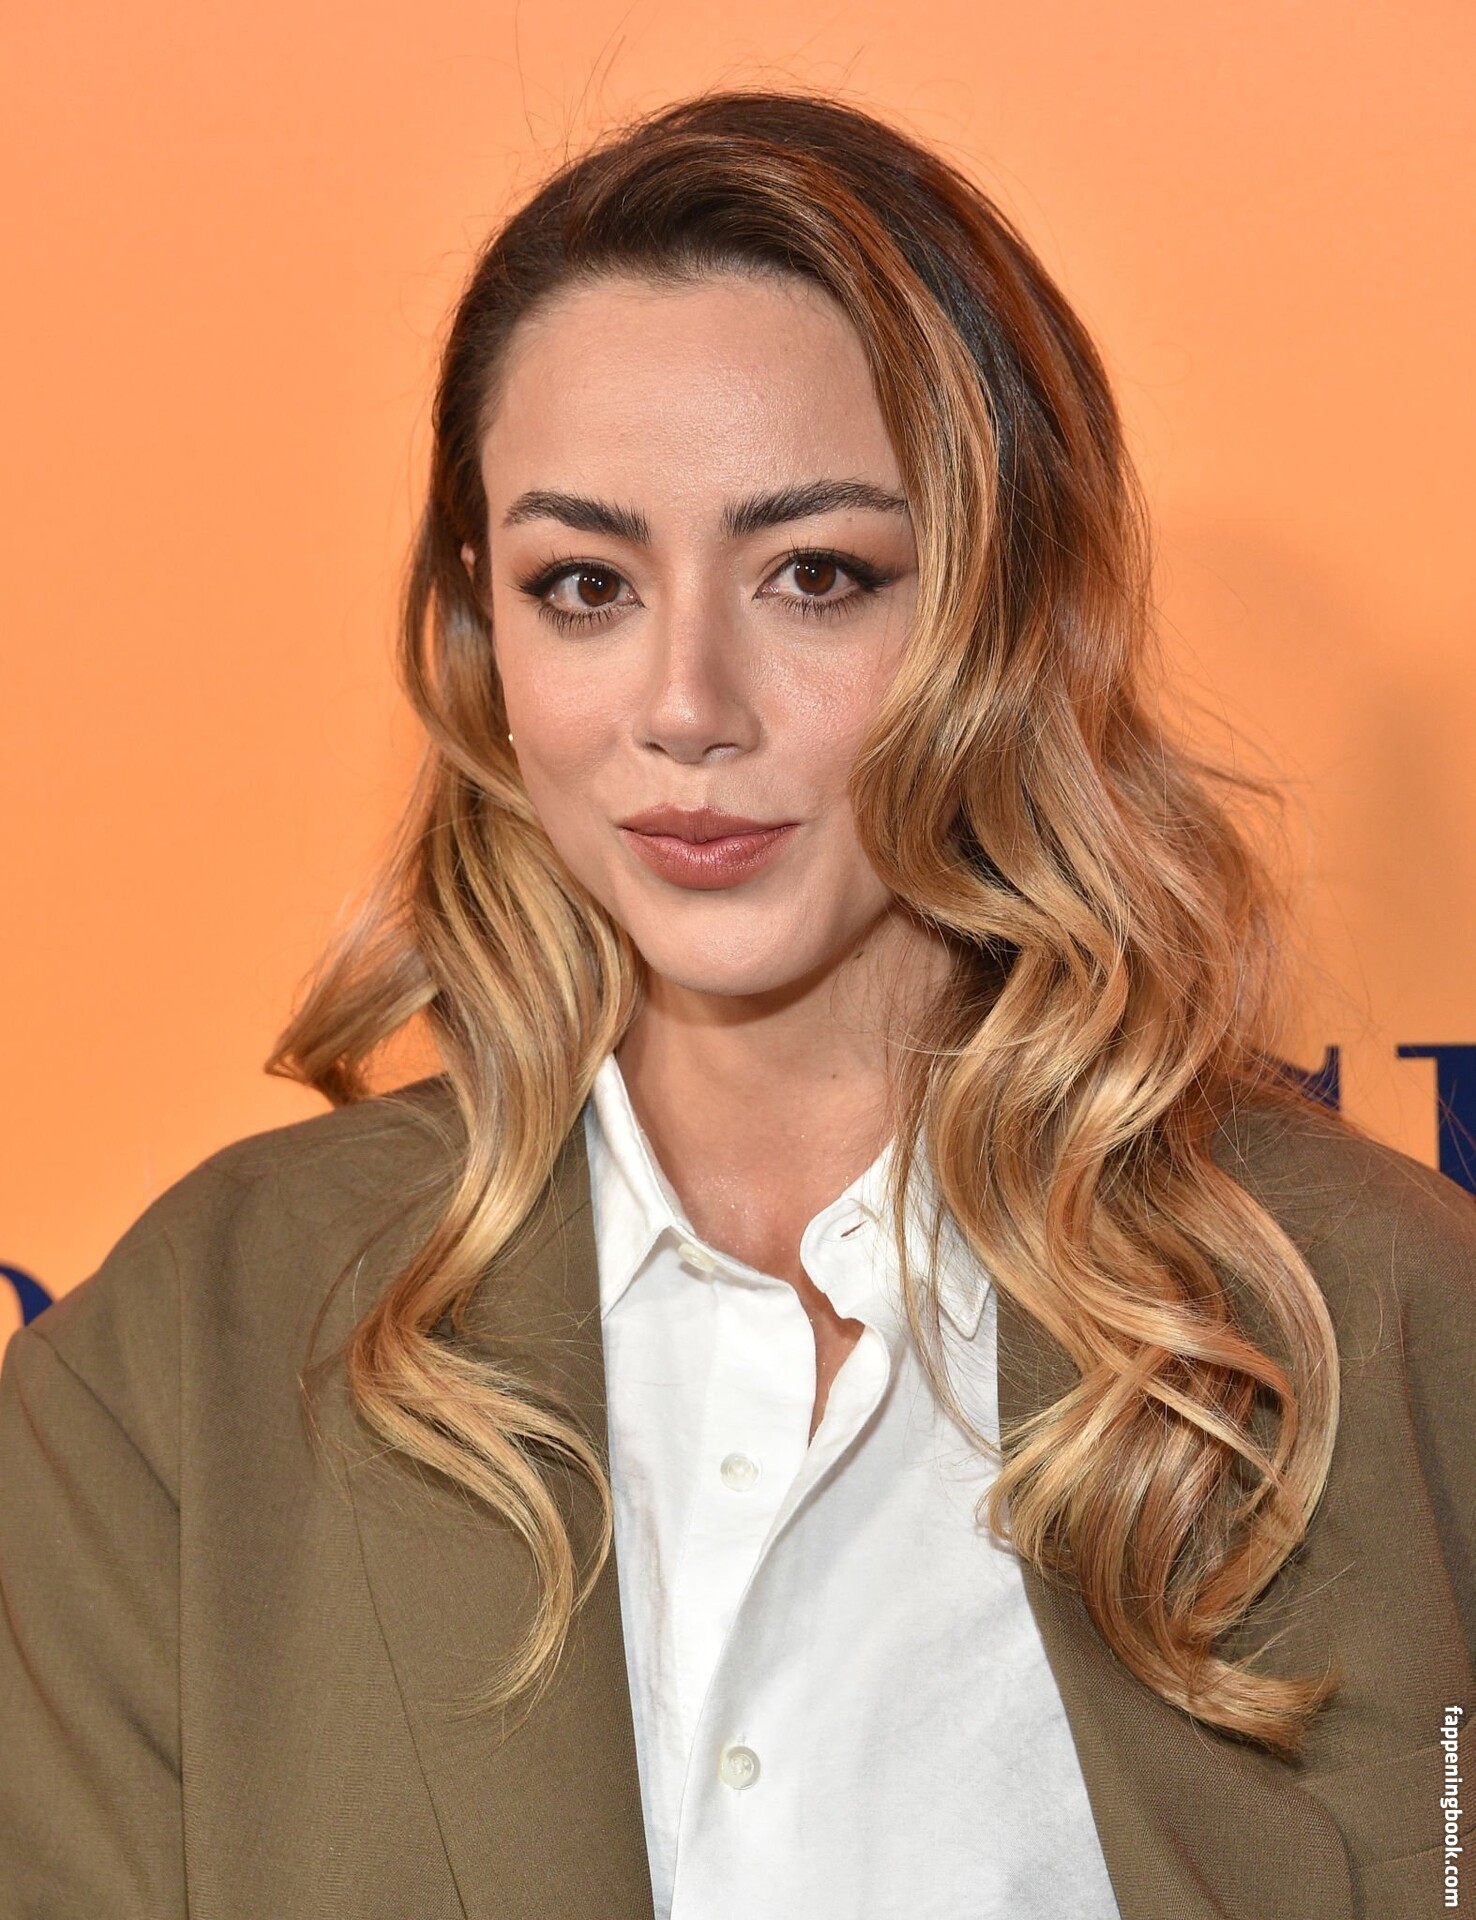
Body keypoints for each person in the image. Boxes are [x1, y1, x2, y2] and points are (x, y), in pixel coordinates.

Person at [0, 90, 1471, 1920]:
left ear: (1012, 612)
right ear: (482, 633)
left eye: (816, 575)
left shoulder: (1377, 1324)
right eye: (584, 586)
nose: (687, 703)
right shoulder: (187, 1362)